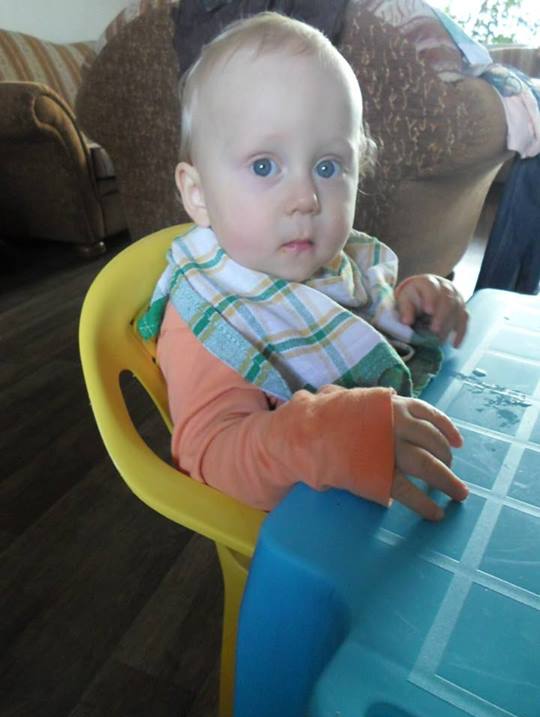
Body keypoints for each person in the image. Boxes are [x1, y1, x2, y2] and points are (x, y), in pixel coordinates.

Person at [140, 12, 470, 521]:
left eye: (328, 166)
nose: (305, 198)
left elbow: (364, 315)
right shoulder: (211, 314)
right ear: (198, 194)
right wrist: (323, 434)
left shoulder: (333, 260)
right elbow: (210, 457)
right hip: (294, 533)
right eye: (264, 165)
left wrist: (410, 305)